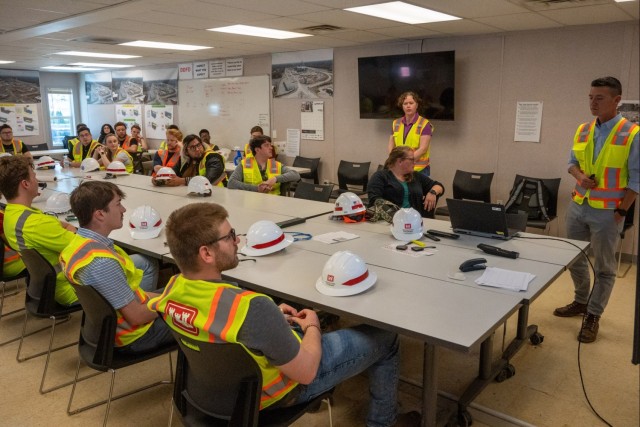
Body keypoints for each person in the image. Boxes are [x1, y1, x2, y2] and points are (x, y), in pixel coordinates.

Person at [148, 203, 415, 426]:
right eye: (229, 237)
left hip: (213, 393)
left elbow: (215, 321)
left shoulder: (172, 290)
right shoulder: (252, 307)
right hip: (276, 393)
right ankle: (384, 420)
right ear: (206, 253)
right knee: (386, 337)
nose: (237, 240)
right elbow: (307, 372)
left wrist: (272, 317)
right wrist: (313, 327)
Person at [554, 77, 639, 343]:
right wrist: (580, 177)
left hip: (608, 212)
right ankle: (581, 301)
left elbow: (636, 181)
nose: (592, 102)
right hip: (579, 205)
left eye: (599, 98)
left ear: (616, 101)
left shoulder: (632, 134)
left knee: (604, 268)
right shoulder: (583, 129)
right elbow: (571, 163)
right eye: (590, 97)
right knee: (575, 259)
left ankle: (593, 314)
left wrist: (621, 213)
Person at [60, 181, 172, 353]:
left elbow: (132, 294)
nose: (124, 210)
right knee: (207, 309)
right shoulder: (101, 263)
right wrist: (177, 304)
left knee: (181, 287)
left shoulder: (77, 245)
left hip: (115, 325)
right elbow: (136, 316)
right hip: (136, 335)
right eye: (118, 204)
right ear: (99, 215)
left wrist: (172, 294)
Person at [0, 156, 77, 305]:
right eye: (34, 176)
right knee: (135, 260)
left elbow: (61, 226)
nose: (37, 180)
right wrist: (71, 229)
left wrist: (68, 228)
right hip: (75, 287)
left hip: (47, 287)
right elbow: (84, 248)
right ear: (25, 184)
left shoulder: (11, 213)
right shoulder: (37, 223)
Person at [368, 146, 445, 218]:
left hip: (415, 221)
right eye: (412, 159)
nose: (415, 162)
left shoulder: (416, 176)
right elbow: (375, 199)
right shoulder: (380, 176)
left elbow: (439, 186)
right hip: (389, 220)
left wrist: (432, 192)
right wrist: (396, 215)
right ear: (400, 161)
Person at [228, 135, 299, 195]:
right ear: (257, 150)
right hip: (251, 204)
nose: (271, 148)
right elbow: (231, 183)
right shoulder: (245, 164)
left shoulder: (274, 164)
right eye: (266, 145)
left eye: (270, 145)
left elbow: (296, 175)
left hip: (274, 205)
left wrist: (275, 179)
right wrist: (256, 189)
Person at [151, 134, 226, 187]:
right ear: (186, 151)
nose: (197, 149)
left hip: (215, 194)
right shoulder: (184, 159)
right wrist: (160, 180)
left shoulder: (213, 157)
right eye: (193, 147)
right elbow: (172, 174)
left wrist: (182, 181)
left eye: (198, 145)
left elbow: (207, 180)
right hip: (188, 195)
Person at [387, 92, 433, 176]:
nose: (408, 106)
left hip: (419, 171)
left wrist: (405, 163)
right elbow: (391, 146)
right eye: (405, 103)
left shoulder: (424, 124)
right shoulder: (396, 123)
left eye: (411, 103)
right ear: (402, 106)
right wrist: (394, 161)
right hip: (399, 168)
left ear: (417, 105)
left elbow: (423, 149)